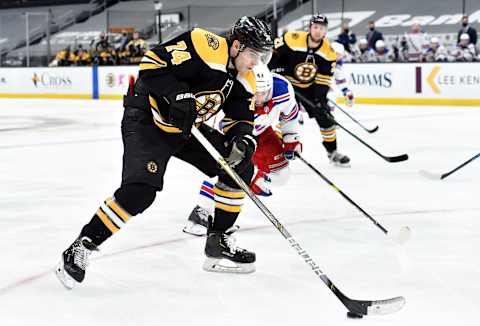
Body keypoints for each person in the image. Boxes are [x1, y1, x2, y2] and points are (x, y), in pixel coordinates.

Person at [55, 16, 274, 288]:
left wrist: (243, 139)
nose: (256, 62)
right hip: (147, 119)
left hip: (184, 128)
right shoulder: (204, 45)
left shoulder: (245, 79)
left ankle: (219, 240)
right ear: (237, 46)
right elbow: (152, 64)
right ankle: (82, 246)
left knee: (239, 166)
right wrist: (178, 94)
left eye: (262, 56)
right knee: (140, 191)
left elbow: (239, 119)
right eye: (254, 54)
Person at [183, 64, 302, 236]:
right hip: (234, 135)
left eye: (264, 93)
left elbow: (289, 115)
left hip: (262, 133)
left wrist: (291, 138)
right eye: (256, 92)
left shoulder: (282, 88)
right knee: (227, 170)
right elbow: (224, 123)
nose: (260, 98)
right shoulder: (237, 88)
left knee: (282, 175)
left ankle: (250, 182)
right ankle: (201, 212)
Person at [269, 13, 350, 167]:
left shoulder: (328, 52)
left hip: (309, 88)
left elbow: (323, 79)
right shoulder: (292, 38)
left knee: (326, 117)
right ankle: (277, 153)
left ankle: (332, 152)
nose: (318, 31)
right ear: (310, 28)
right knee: (282, 118)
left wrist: (320, 100)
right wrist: (276, 69)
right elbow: (273, 53)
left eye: (322, 28)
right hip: (286, 85)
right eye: (315, 27)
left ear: (326, 31)